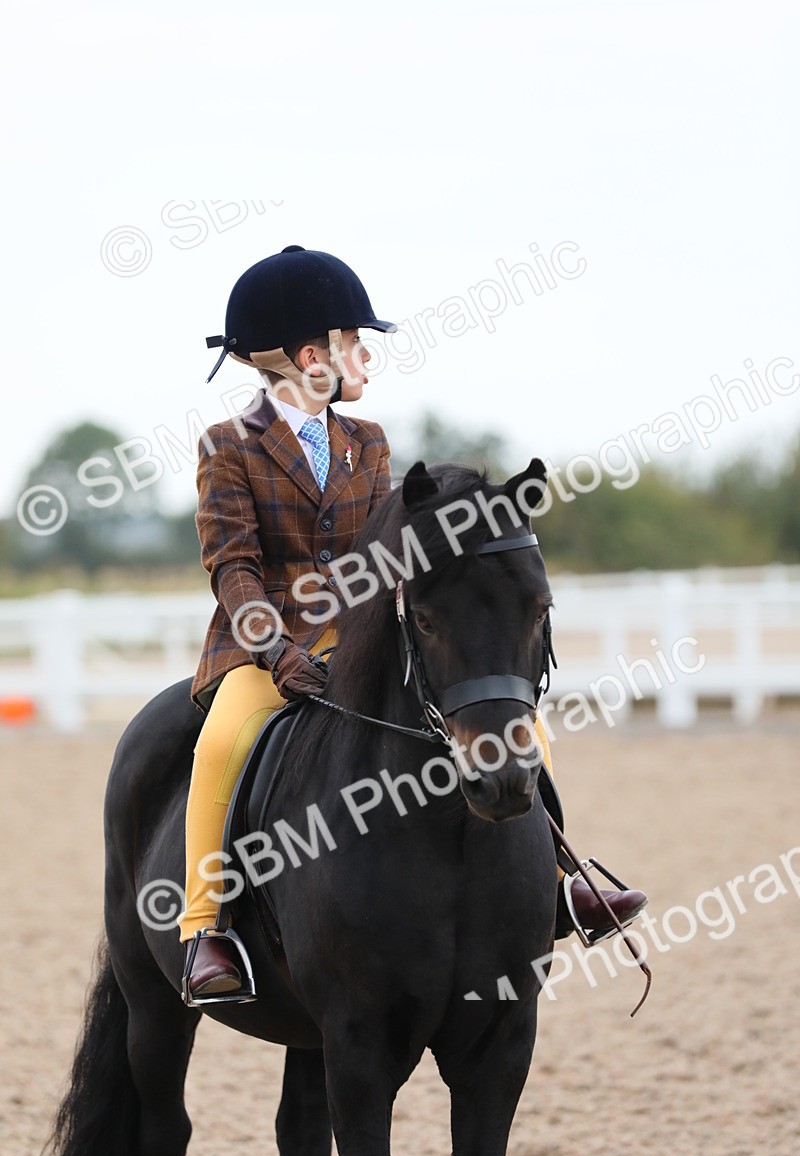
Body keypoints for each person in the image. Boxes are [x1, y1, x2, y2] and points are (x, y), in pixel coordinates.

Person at [178, 245, 646, 1004]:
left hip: (360, 637)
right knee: (219, 746)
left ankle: (566, 880)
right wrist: (276, 649)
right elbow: (231, 567)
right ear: (309, 357)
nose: (367, 356)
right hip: (263, 649)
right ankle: (208, 930)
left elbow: (387, 552)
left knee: (521, 728)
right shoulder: (227, 448)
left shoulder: (368, 442)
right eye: (354, 342)